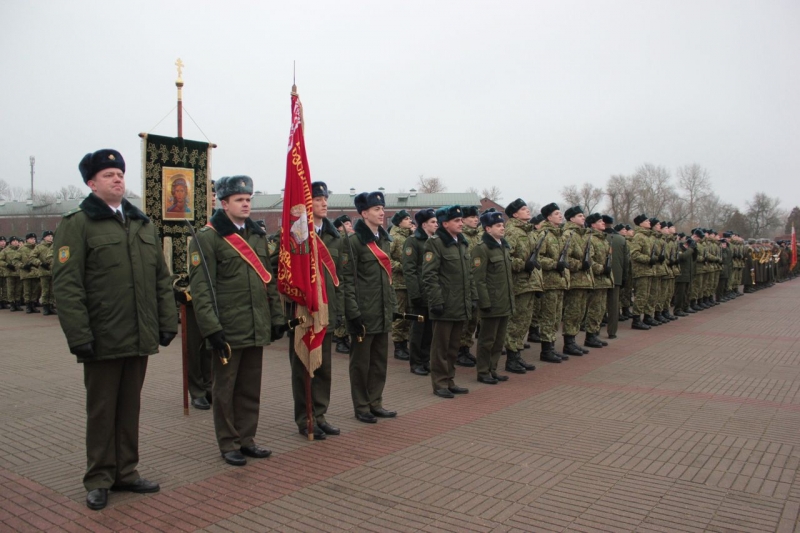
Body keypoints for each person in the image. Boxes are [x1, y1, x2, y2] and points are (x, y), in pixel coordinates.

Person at [53, 149, 177, 511]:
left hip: (138, 334)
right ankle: (99, 477)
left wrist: (167, 321)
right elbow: (67, 286)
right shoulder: (77, 224)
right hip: (102, 337)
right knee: (102, 410)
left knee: (130, 407)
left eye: (120, 173)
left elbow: (160, 277)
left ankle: (126, 471)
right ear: (91, 183)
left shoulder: (142, 223)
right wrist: (79, 336)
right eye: (108, 175)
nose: (117, 179)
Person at [189, 175, 285, 466]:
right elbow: (202, 288)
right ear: (224, 203)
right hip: (227, 328)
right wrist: (211, 329)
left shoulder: (256, 235)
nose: (246, 204)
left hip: (255, 325)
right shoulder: (207, 238)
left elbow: (267, 279)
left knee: (249, 387)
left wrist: (277, 317)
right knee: (224, 389)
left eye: (248, 199)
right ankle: (228, 442)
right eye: (239, 200)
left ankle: (247, 439)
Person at [289, 181, 342, 440]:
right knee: (303, 369)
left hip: (326, 311)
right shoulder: (294, 233)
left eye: (325, 199)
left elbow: (340, 277)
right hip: (303, 313)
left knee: (323, 369)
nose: (323, 203)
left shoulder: (333, 236)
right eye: (317, 199)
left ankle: (320, 415)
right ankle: (305, 418)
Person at [341, 191, 398, 423]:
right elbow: (346, 280)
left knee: (379, 362)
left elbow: (387, 279)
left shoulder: (383, 239)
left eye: (382, 208)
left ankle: (376, 402)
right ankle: (361, 406)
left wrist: (391, 305)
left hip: (382, 311)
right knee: (360, 364)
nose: (382, 212)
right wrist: (353, 313)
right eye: (376, 209)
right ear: (364, 213)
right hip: (363, 313)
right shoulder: (353, 242)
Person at [422, 205, 476, 398]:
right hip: (444, 305)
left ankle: (450, 379)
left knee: (454, 347)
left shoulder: (462, 243)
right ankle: (439, 383)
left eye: (461, 220)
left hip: (460, 304)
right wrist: (436, 301)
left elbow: (469, 275)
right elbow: (430, 276)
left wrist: (473, 298)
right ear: (445, 223)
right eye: (457, 221)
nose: (461, 223)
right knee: (440, 348)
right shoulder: (435, 244)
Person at [472, 210, 513, 384]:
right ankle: (482, 371)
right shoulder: (481, 249)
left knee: (499, 340)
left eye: (502, 224)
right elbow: (478, 279)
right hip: (491, 303)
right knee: (487, 340)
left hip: (504, 301)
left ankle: (493, 369)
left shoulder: (503, 246)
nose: (502, 228)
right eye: (498, 225)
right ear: (488, 228)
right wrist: (484, 302)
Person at [403, 208, 437, 376]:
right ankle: (415, 362)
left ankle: (425, 360)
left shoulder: (434, 241)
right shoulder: (413, 242)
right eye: (433, 222)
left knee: (430, 330)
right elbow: (409, 270)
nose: (436, 224)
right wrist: (415, 294)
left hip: (432, 293)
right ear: (424, 224)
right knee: (418, 330)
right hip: (420, 294)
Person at [561, 206, 593, 354]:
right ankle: (568, 342)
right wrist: (580, 264)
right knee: (572, 312)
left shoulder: (584, 235)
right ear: (571, 218)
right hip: (574, 279)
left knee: (579, 312)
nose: (583, 217)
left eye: (583, 215)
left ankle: (573, 340)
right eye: (579, 215)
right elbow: (565, 257)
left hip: (584, 279)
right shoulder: (569, 234)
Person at [457, 206, 482, 368]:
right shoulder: (460, 237)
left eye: (476, 217)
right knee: (464, 320)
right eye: (471, 217)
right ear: (463, 219)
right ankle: (458, 350)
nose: (475, 219)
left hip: (478, 283)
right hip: (464, 285)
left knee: (473, 320)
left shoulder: (479, 236)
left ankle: (466, 348)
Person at [389, 210, 413, 361]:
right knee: (400, 315)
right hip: (398, 283)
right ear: (399, 222)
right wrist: (402, 267)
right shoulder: (394, 238)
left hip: (410, 283)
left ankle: (405, 344)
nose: (410, 221)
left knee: (409, 316)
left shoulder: (410, 237)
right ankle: (398, 346)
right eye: (406, 219)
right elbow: (386, 259)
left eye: (410, 218)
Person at [333, 214, 354, 354]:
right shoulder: (339, 239)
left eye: (350, 224)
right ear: (339, 227)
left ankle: (344, 338)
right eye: (346, 224)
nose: (350, 226)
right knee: (341, 310)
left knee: (348, 310)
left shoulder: (350, 239)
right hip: (341, 279)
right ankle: (340, 340)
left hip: (349, 279)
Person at [32, 230, 56, 315]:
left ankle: (51, 306)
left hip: (53, 271)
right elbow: (32, 257)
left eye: (51, 236)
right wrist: (40, 263)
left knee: (52, 290)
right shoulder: (39, 247)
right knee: (45, 290)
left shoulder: (55, 245)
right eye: (48, 236)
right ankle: (45, 307)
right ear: (44, 237)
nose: (51, 237)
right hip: (44, 271)